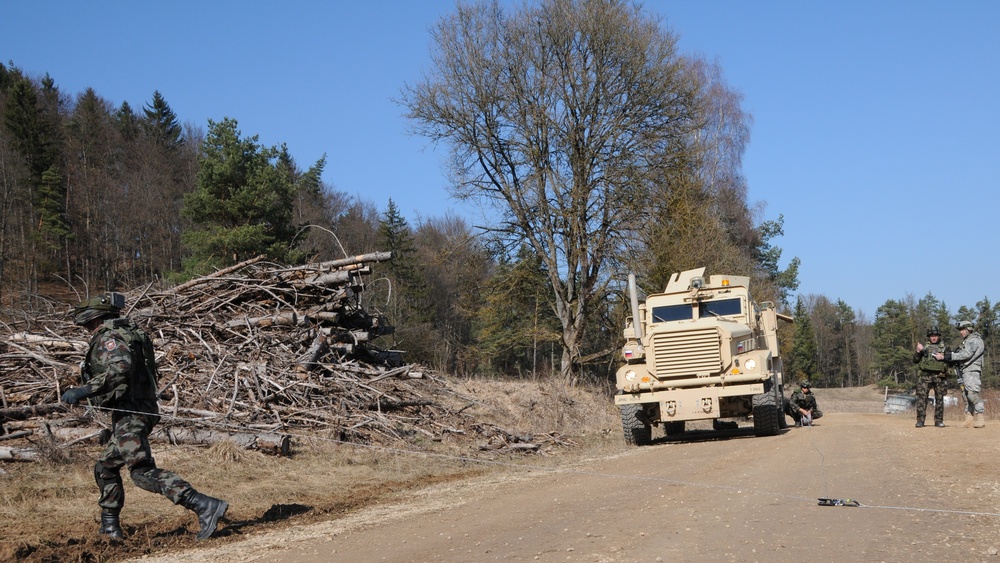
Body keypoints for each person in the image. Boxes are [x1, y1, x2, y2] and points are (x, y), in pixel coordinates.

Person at [60, 293, 228, 540]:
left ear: (94, 319)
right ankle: (109, 527)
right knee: (106, 466)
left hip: (131, 413)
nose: (86, 329)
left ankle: (203, 505)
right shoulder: (128, 333)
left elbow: (120, 368)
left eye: (86, 324)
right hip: (135, 410)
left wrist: (83, 390)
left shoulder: (110, 337)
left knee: (141, 471)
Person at [934, 320, 986, 428]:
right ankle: (969, 418)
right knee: (965, 395)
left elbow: (966, 354)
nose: (961, 332)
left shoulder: (974, 340)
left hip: (972, 370)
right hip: (965, 370)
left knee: (973, 394)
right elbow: (961, 354)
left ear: (969, 329)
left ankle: (980, 417)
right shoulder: (967, 341)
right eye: (960, 330)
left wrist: (948, 357)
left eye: (963, 330)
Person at [912, 326, 948, 427]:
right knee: (922, 399)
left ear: (939, 336)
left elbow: (950, 360)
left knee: (939, 399)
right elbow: (915, 360)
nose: (934, 338)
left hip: (939, 376)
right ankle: (920, 420)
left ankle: (938, 420)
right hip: (925, 376)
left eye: (935, 335)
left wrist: (943, 358)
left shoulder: (945, 348)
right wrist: (918, 352)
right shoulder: (924, 348)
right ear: (929, 337)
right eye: (932, 336)